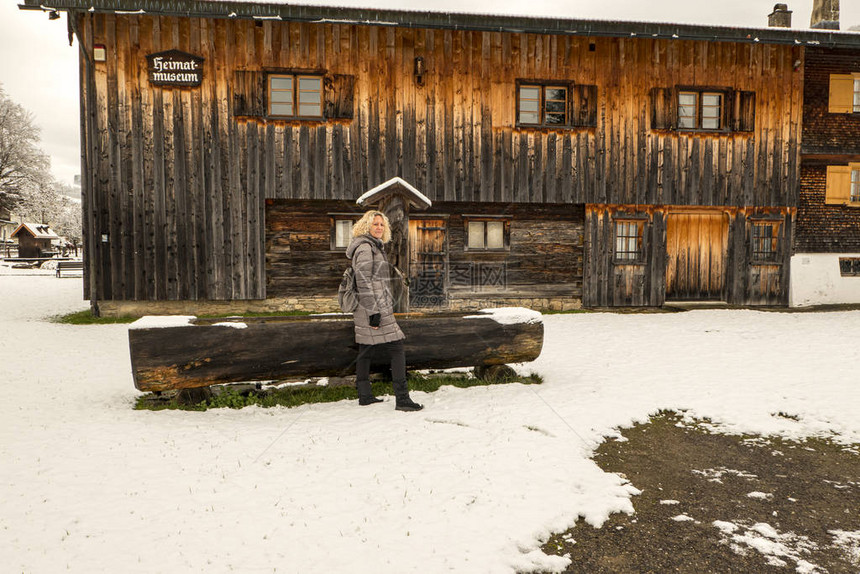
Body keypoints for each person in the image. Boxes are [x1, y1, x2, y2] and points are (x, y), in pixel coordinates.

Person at [345, 210, 423, 412]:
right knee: (396, 347)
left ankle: (364, 395)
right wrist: (373, 311)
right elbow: (363, 280)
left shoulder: (373, 246)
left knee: (366, 348)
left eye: (381, 224)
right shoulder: (365, 247)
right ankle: (403, 398)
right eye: (375, 224)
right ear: (366, 226)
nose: (379, 227)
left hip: (372, 305)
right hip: (372, 307)